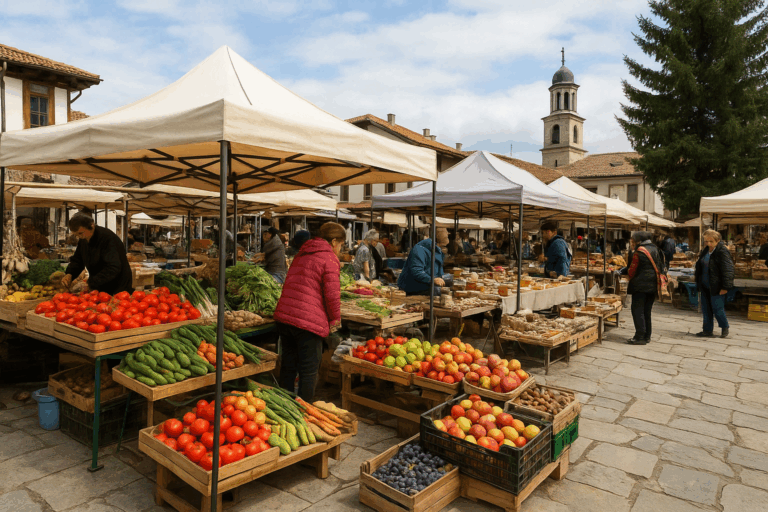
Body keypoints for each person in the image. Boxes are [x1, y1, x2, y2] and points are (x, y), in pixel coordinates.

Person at [274, 222, 344, 401]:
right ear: (334, 241)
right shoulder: (329, 259)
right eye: (341, 245)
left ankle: (285, 407)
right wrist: (336, 320)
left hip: (285, 317)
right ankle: (304, 413)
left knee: (288, 366)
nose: (340, 250)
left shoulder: (302, 253)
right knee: (309, 370)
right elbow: (332, 296)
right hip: (307, 323)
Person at [60, 212, 133, 295]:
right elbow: (78, 260)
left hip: (117, 286)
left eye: (80, 233)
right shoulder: (84, 239)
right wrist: (70, 273)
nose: (78, 237)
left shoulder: (108, 238)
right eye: (76, 235)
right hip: (100, 285)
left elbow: (113, 268)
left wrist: (91, 283)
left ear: (92, 225)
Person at [621, 231, 664, 345]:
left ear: (638, 241)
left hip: (640, 285)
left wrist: (625, 272)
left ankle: (639, 336)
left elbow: (632, 270)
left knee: (637, 310)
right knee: (647, 311)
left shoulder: (639, 251)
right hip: (653, 284)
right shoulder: (655, 249)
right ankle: (647, 336)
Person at [695, 229, 734, 338]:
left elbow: (728, 270)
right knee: (706, 309)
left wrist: (725, 286)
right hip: (704, 284)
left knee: (718, 309)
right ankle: (707, 330)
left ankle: (724, 327)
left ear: (717, 241)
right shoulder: (706, 250)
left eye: (711, 241)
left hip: (716, 285)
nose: (708, 243)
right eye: (706, 241)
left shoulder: (722, 251)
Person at [398, 228, 450, 296]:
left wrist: (443, 278)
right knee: (436, 291)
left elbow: (439, 271)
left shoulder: (438, 251)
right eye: (443, 246)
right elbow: (416, 270)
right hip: (413, 287)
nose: (444, 249)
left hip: (427, 284)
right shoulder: (419, 249)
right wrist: (432, 279)